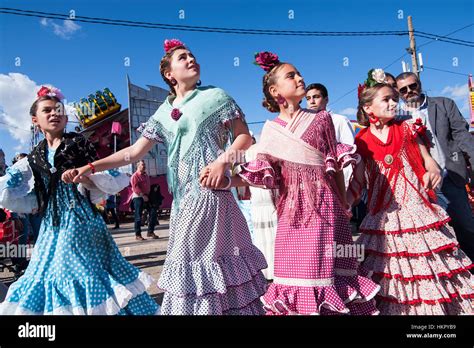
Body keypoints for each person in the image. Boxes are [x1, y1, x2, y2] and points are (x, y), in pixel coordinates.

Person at [72, 39, 267, 315]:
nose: (191, 59)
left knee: (196, 265)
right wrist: (92, 167)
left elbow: (244, 139)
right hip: (182, 200)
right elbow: (133, 153)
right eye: (183, 57)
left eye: (193, 55)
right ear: (169, 74)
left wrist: (222, 162)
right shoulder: (163, 112)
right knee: (195, 268)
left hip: (210, 193)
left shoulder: (216, 97)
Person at [207, 51, 381, 315]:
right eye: (291, 75)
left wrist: (344, 201)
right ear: (276, 91)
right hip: (290, 213)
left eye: (299, 73)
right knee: (295, 275)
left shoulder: (321, 119)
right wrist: (225, 179)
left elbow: (332, 165)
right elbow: (262, 174)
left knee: (325, 273)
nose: (300, 78)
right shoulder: (271, 130)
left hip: (324, 207)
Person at [0, 86, 159, 315]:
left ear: (65, 117)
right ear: (35, 119)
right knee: (47, 271)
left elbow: (103, 177)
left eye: (58, 110)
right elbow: (15, 187)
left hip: (80, 218)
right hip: (51, 224)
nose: (54, 114)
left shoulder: (77, 143)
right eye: (47, 110)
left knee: (75, 271)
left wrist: (84, 176)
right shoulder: (34, 155)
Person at [348, 69, 473, 314]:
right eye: (386, 99)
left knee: (430, 265)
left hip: (416, 209)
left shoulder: (407, 128)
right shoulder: (361, 141)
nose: (394, 103)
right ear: (369, 108)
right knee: (393, 271)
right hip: (384, 215)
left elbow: (429, 161)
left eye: (395, 98)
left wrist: (431, 171)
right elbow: (358, 182)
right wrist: (344, 202)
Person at [396, 72, 474, 266]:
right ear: (398, 93)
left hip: (450, 177)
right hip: (419, 185)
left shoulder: (443, 104)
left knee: (465, 226)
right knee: (434, 234)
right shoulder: (397, 116)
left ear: (419, 84)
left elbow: (462, 136)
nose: (409, 92)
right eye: (403, 90)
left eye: (412, 86)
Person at [305, 83, 355, 188]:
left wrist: (345, 186)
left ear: (326, 99)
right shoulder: (305, 125)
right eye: (308, 98)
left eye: (316, 97)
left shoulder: (339, 120)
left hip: (338, 179)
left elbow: (348, 154)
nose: (312, 101)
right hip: (314, 181)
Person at [130, 160, 157, 240]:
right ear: (138, 166)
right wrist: (142, 195)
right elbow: (135, 188)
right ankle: (138, 235)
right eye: (142, 165)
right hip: (138, 197)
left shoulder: (146, 175)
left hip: (147, 196)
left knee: (153, 213)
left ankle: (150, 232)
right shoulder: (135, 176)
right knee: (138, 216)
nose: (144, 166)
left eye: (144, 164)